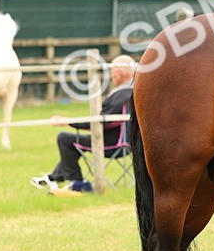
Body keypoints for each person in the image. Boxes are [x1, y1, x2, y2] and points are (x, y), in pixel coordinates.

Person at [30, 55, 135, 192]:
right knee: (75, 143)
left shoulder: (119, 96)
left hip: (110, 144)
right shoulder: (136, 93)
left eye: (111, 73)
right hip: (131, 144)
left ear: (117, 72)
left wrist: (68, 122)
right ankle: (53, 177)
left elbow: (98, 122)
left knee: (64, 138)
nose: (111, 77)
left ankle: (78, 183)